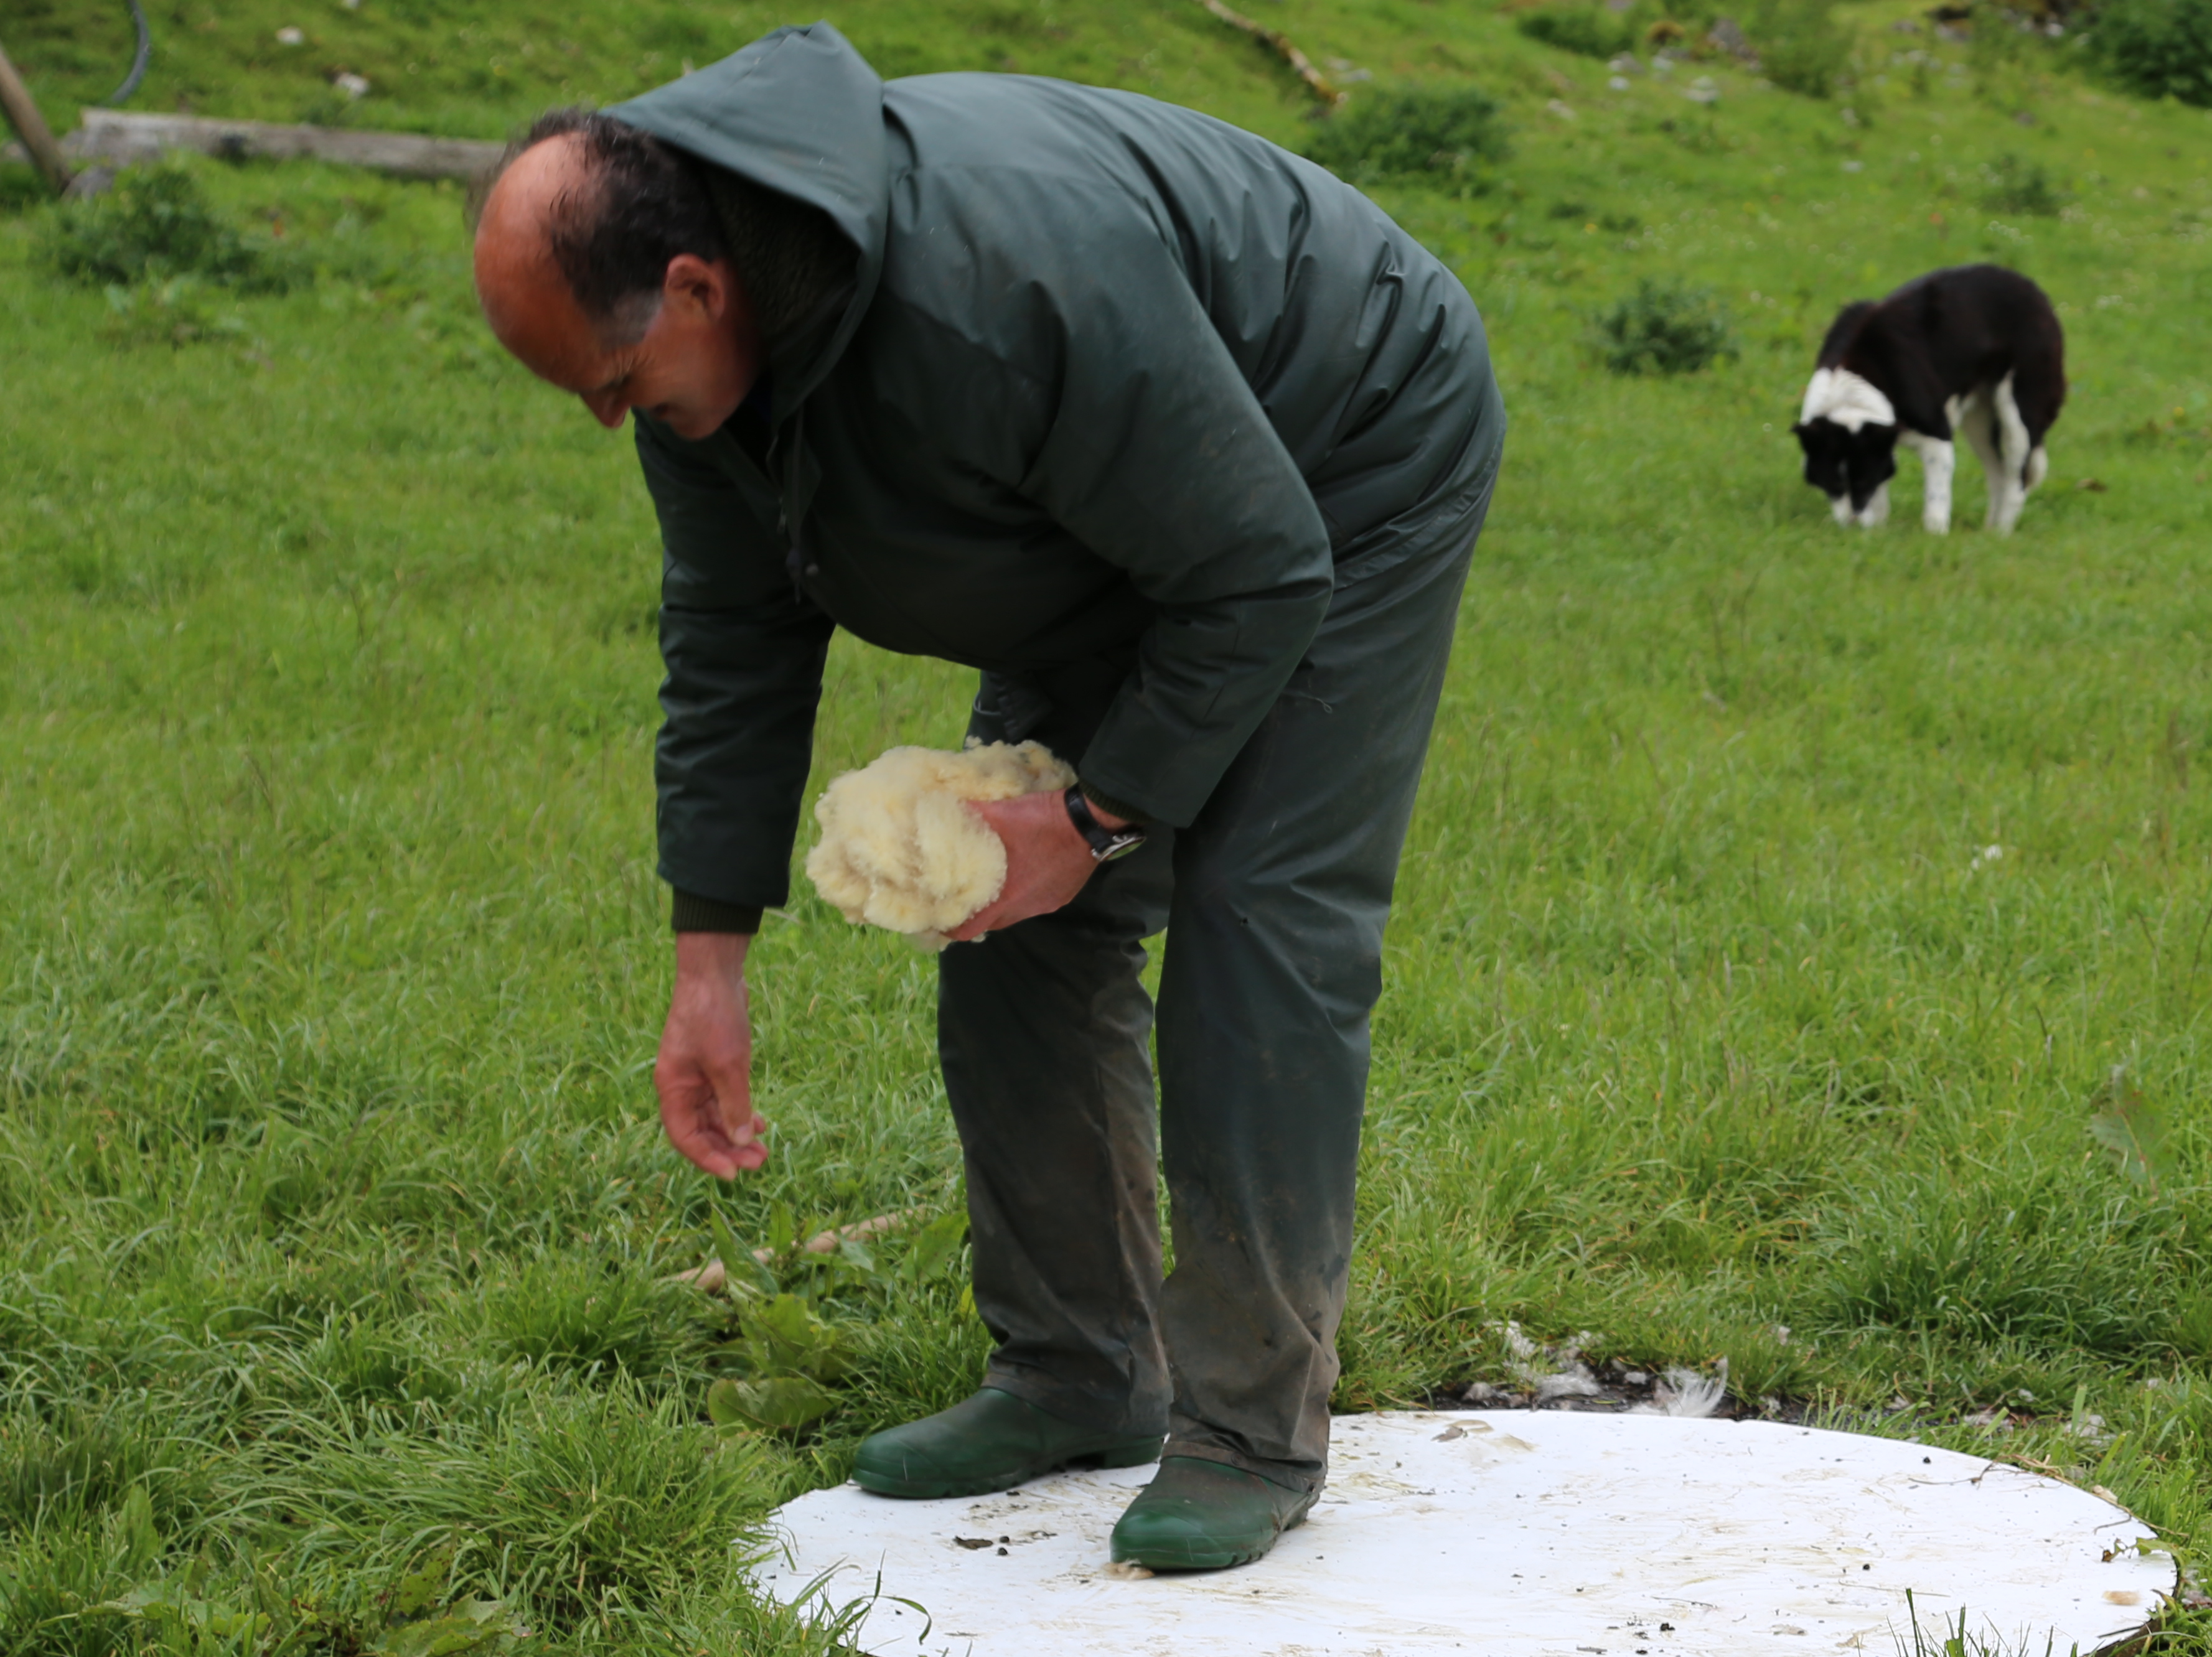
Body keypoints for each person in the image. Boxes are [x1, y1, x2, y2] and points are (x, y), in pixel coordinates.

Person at [470, 25, 1501, 1571]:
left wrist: (1094, 823)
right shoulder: (708, 372)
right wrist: (709, 960)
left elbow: (1257, 567)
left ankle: (1249, 1428)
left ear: (694, 286)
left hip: (1342, 455)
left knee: (1256, 922)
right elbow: (735, 635)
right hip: (1114, 510)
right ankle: (1080, 1370)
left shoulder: (1000, 293)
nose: (612, 423)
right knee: (1002, 919)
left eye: (616, 382)